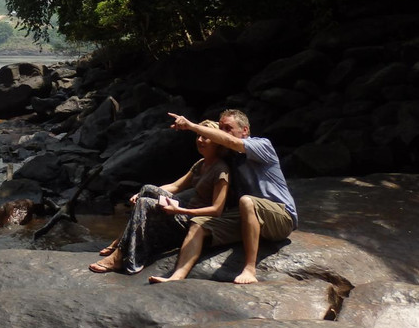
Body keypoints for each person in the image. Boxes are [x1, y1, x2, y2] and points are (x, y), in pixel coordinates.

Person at [150, 108, 297, 285]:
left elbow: (232, 142)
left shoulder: (262, 145)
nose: (222, 133)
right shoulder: (229, 160)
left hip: (280, 215)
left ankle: (249, 269)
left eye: (228, 128)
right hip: (246, 215)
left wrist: (191, 126)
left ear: (245, 131)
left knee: (247, 201)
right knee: (199, 224)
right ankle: (176, 276)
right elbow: (187, 182)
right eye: (220, 128)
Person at [89, 121, 231, 274]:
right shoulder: (201, 164)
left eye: (205, 137)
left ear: (217, 142)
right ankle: (121, 240)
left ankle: (119, 255)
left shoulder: (221, 170)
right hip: (184, 210)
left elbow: (217, 210)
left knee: (145, 204)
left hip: (193, 220)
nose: (199, 140)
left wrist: (179, 210)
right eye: (198, 136)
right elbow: (175, 187)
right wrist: (141, 193)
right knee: (147, 190)